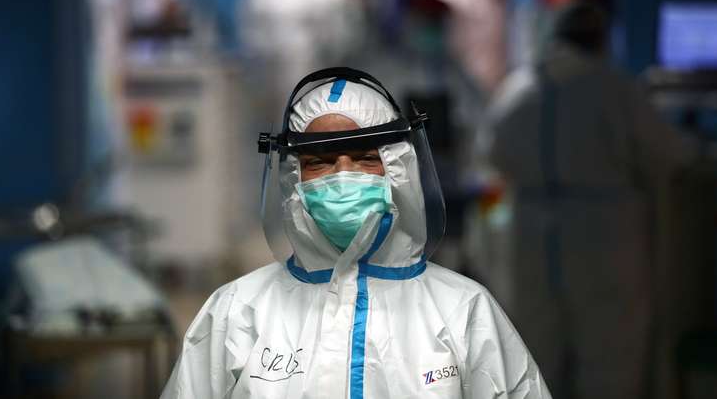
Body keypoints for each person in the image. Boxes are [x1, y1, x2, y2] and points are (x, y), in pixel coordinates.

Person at [161, 68, 550, 398]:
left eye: (365, 159)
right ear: (292, 177)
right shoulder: (237, 312)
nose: (344, 175)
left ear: (398, 171)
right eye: (322, 162)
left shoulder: (464, 311)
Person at [485, 0, 700, 399]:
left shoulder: (518, 88)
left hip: (532, 229)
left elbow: (495, 153)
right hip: (602, 232)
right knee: (609, 351)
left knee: (536, 350)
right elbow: (669, 152)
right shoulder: (613, 87)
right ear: (601, 39)